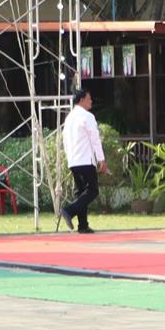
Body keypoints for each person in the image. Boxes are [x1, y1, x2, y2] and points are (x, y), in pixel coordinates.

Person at [61, 88, 104, 234]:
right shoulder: (87, 116)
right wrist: (101, 159)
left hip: (73, 160)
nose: (91, 101)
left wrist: (69, 158)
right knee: (92, 190)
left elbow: (65, 141)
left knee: (81, 193)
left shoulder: (69, 118)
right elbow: (95, 139)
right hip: (85, 159)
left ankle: (83, 225)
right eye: (89, 98)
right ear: (81, 100)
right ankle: (69, 210)